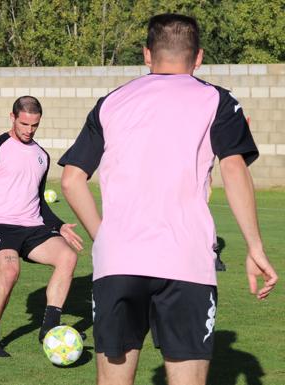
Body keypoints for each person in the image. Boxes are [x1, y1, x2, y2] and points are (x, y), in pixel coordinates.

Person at [59, 14, 278, 385]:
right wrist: (254, 246)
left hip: (119, 263)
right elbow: (234, 169)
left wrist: (106, 237)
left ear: (147, 55)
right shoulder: (218, 101)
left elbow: (71, 180)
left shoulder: (111, 102)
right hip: (186, 263)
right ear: (199, 58)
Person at [0, 96, 83, 357]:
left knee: (68, 256)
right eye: (24, 124)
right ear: (12, 117)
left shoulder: (41, 155)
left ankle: (49, 327)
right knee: (9, 271)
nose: (29, 130)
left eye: (34, 125)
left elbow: (38, 200)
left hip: (33, 226)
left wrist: (59, 226)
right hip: (2, 226)